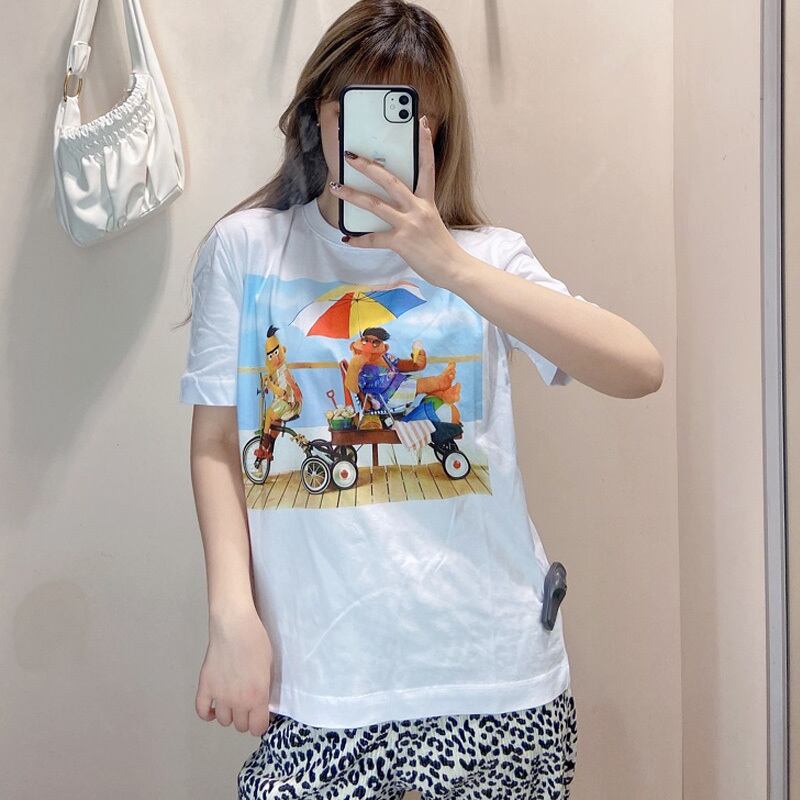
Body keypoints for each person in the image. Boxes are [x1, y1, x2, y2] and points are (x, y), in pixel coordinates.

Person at [177, 1, 663, 798]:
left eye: (406, 116)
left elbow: (638, 368)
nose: (376, 143)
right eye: (357, 110)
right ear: (317, 117)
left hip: (493, 682)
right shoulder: (248, 248)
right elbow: (215, 446)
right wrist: (231, 613)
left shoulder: (486, 258)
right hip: (318, 683)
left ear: (434, 134)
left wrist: (450, 266)